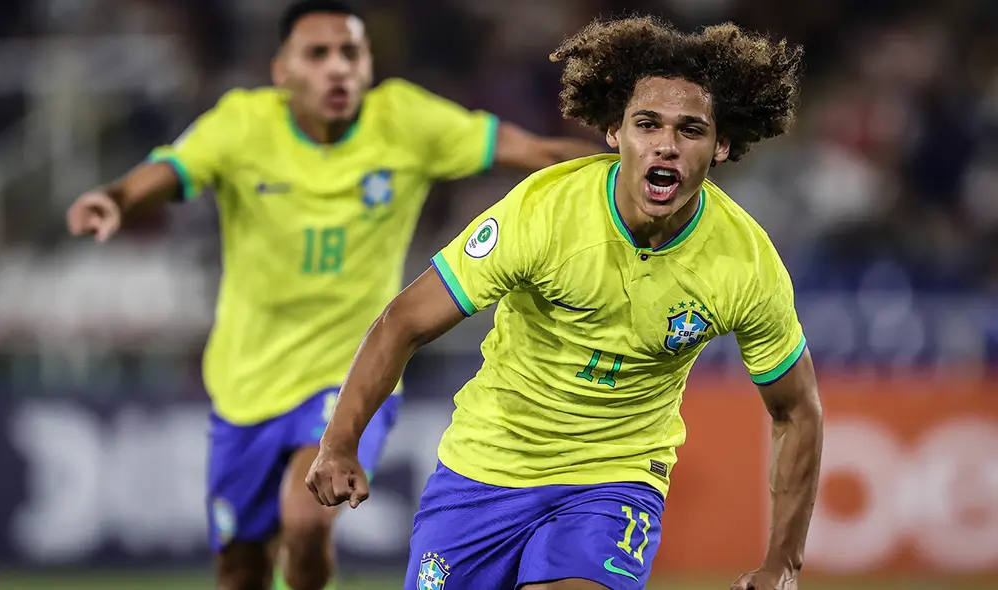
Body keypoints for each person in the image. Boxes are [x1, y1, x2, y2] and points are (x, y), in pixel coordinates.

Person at [64, 0, 600, 588]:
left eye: (351, 53)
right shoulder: (242, 123)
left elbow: (538, 155)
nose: (337, 68)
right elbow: (171, 169)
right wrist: (115, 200)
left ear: (369, 63)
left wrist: (626, 169)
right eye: (317, 55)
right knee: (240, 568)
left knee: (307, 520)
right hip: (247, 382)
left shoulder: (406, 120)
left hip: (349, 372)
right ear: (281, 70)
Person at [306, 14, 824, 590]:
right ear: (614, 133)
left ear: (722, 144)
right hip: (487, 466)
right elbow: (404, 321)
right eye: (647, 124)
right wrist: (340, 443)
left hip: (615, 478)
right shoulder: (545, 212)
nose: (667, 146)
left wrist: (783, 563)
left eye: (691, 130)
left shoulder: (746, 263)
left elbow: (797, 410)